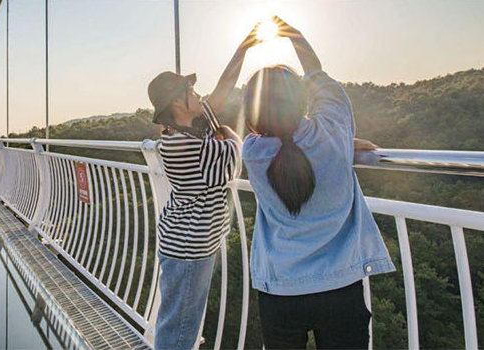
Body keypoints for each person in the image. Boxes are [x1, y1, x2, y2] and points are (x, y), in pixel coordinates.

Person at [240, 17, 395, 349]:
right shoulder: (333, 130)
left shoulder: (252, 153)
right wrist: (293, 34)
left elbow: (283, 141)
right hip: (341, 288)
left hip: (280, 291)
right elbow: (318, 76)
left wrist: (342, 142)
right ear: (299, 99)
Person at [147, 23, 260, 350]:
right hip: (189, 246)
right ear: (180, 103)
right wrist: (228, 130)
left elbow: (223, 89)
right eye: (193, 93)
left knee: (178, 320)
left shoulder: (185, 131)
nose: (199, 95)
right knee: (181, 327)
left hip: (185, 240)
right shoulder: (187, 148)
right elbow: (234, 155)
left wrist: (243, 49)